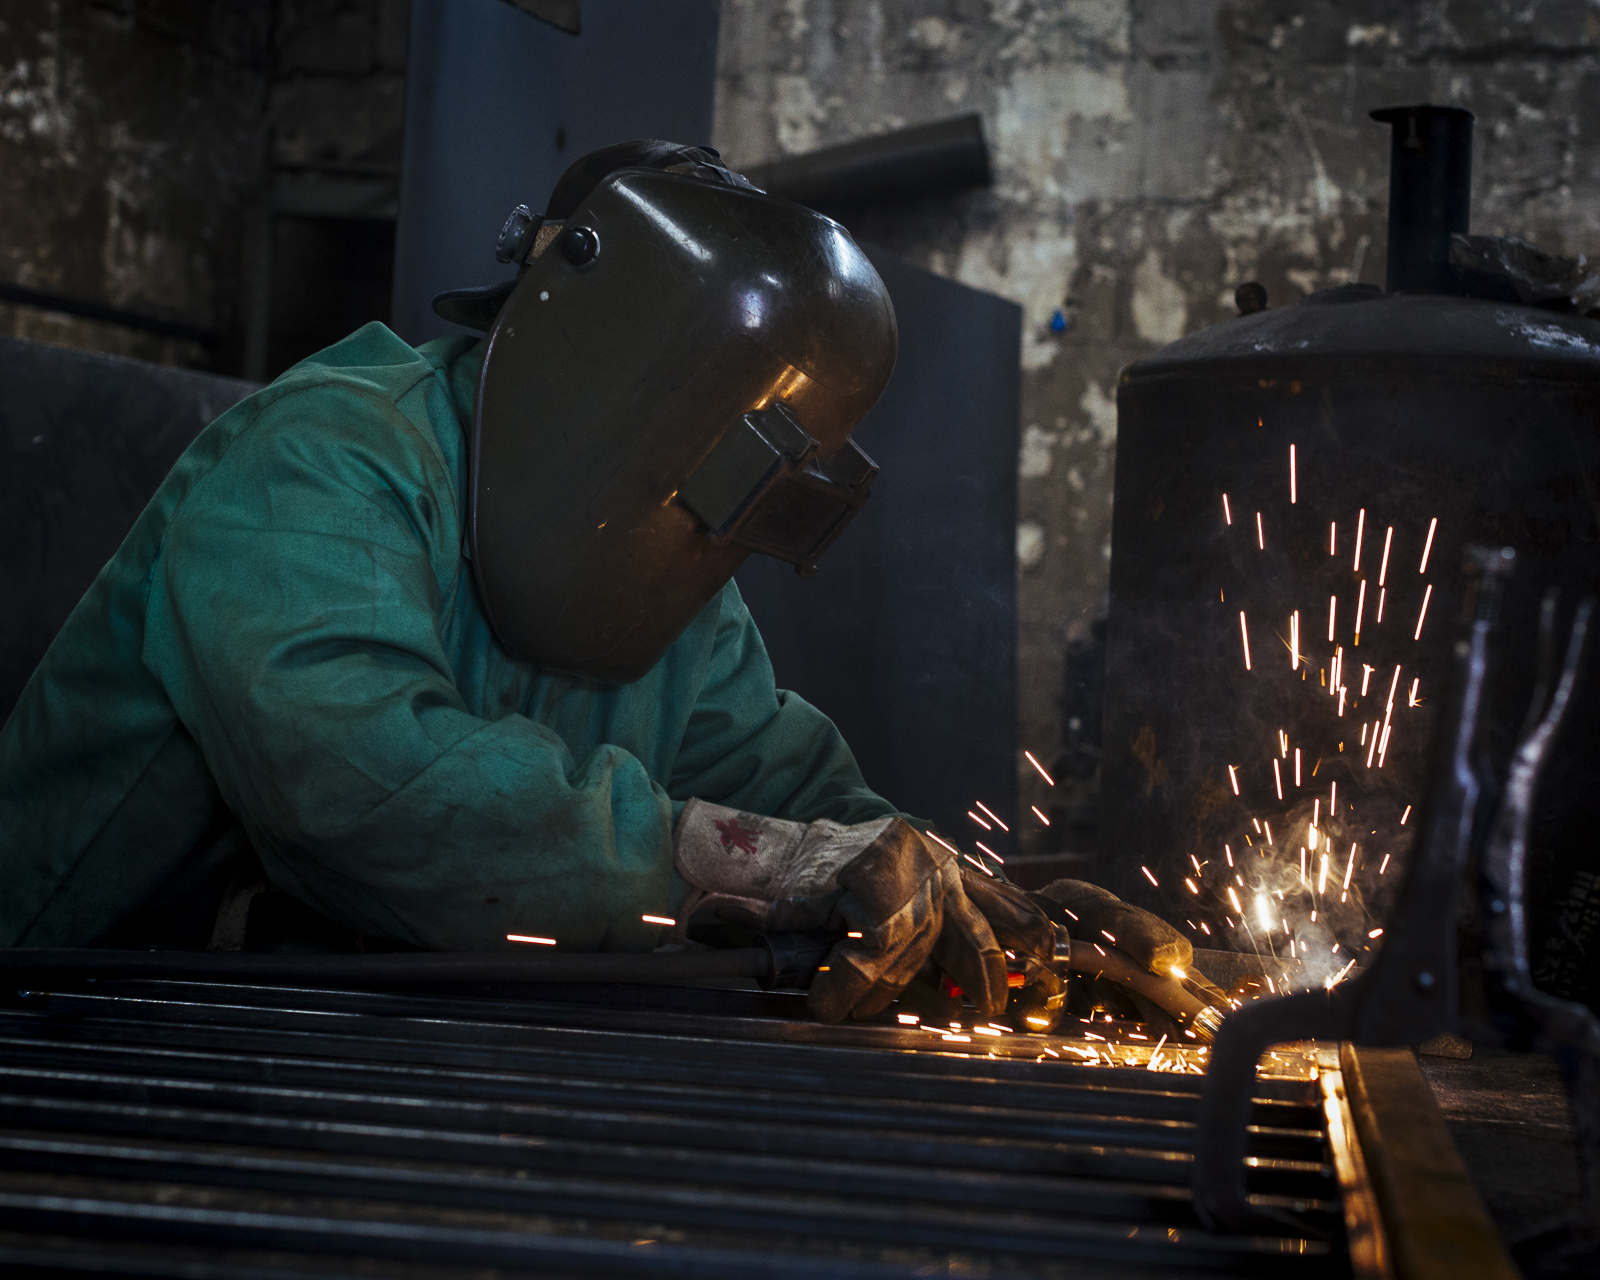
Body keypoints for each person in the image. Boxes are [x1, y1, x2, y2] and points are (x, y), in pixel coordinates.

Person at [0, 142, 1196, 1025]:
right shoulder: (321, 456)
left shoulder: (665, 561)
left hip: (297, 1023)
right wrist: (764, 864)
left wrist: (966, 897)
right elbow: (359, 785)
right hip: (61, 1003)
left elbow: (778, 777)